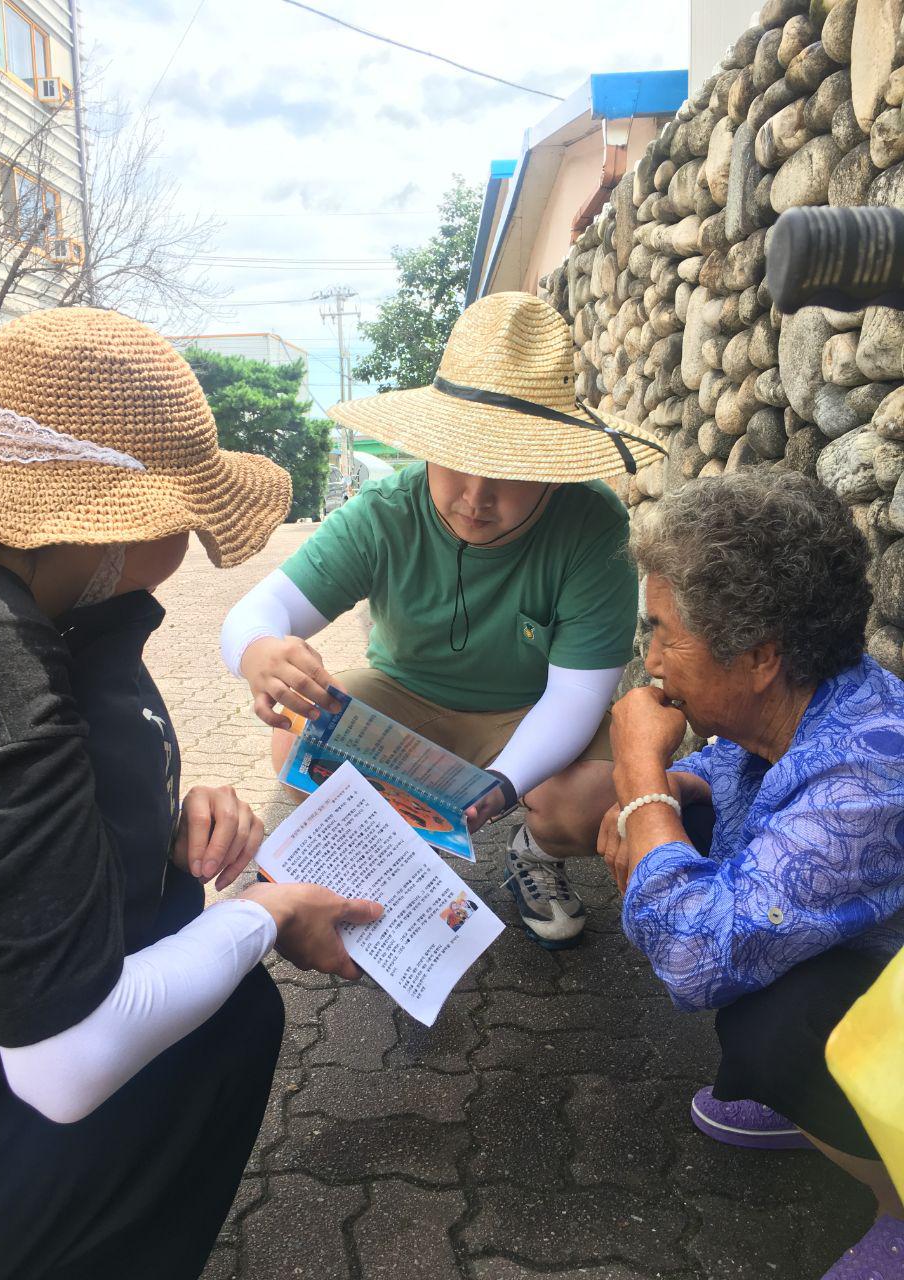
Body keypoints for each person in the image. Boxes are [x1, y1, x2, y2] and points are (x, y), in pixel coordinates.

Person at [0, 307, 383, 1280]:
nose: (188, 546)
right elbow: (65, 1063)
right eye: (181, 519)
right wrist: (267, 912)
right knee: (230, 1018)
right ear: (108, 524)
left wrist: (145, 823)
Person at [221, 290, 665, 949]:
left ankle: (534, 854)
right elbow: (261, 610)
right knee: (297, 740)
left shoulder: (594, 526)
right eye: (457, 459)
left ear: (552, 468)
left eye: (509, 468)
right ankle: (394, 861)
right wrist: (259, 651)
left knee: (599, 791)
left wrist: (503, 785)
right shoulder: (385, 513)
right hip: (406, 700)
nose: (475, 497)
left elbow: (577, 695)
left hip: (531, 708)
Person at [596, 472, 904, 1277]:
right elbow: (737, 763)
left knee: (775, 1024)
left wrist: (640, 778)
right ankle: (815, 1110)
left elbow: (698, 957)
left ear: (762, 654)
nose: (649, 662)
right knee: (682, 822)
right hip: (866, 952)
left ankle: (898, 1202)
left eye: (665, 637)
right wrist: (675, 788)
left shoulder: (867, 776)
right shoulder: (810, 695)